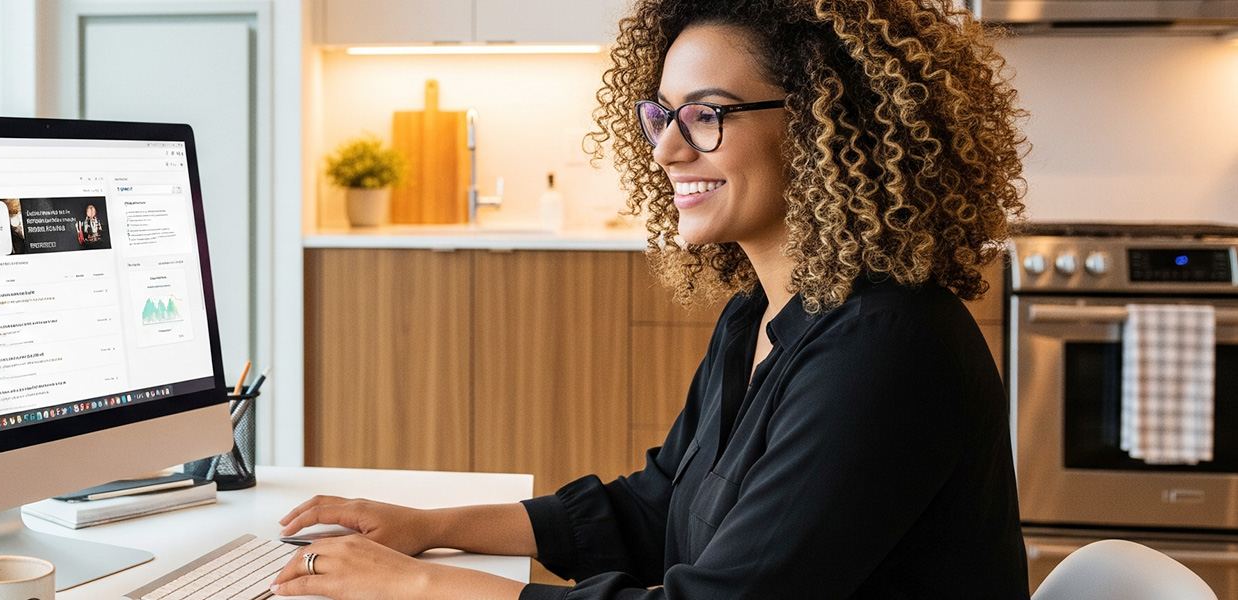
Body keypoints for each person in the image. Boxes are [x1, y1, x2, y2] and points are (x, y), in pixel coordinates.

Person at [270, 0, 1029, 598]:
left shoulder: (887, 347)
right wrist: (425, 528)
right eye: (663, 115)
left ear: (825, 121)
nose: (666, 149)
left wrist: (420, 586)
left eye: (706, 115)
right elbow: (659, 504)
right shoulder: (756, 315)